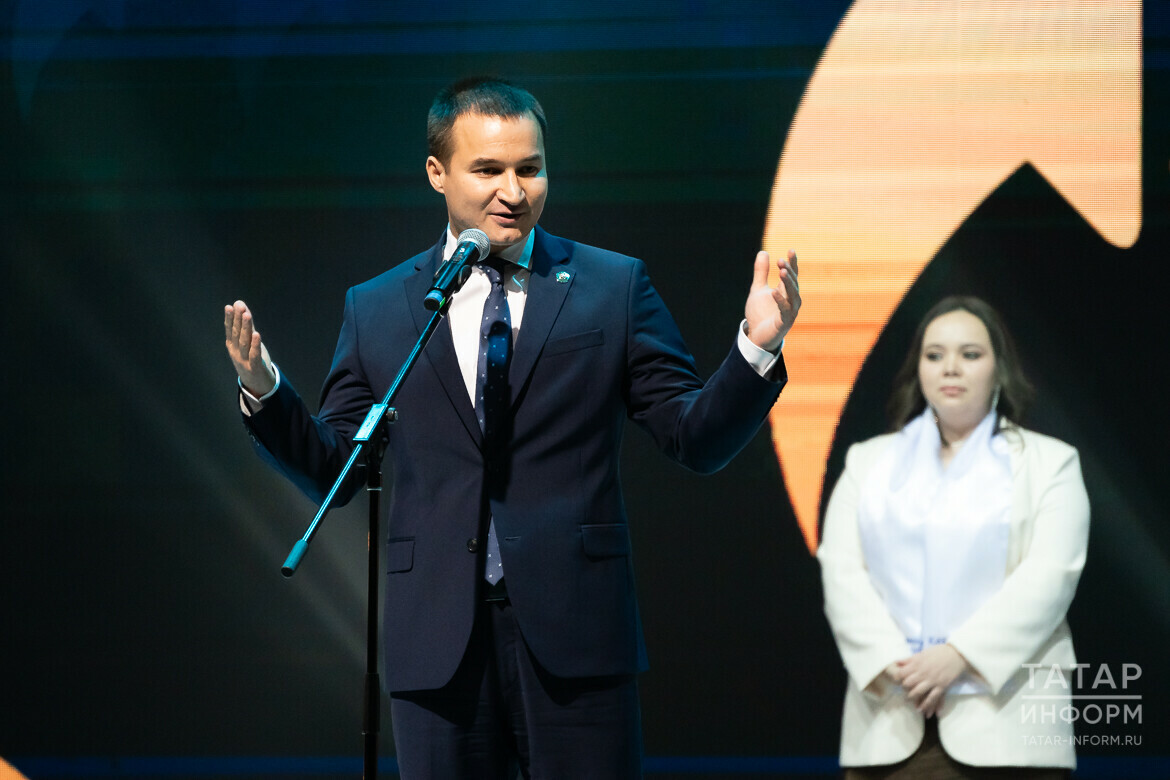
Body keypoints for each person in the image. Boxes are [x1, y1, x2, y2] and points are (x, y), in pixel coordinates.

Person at [223, 77, 800, 778]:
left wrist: (756, 349)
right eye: (488, 170)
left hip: (577, 634)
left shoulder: (612, 287)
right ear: (437, 173)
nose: (513, 191)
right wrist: (265, 391)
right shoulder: (379, 307)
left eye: (530, 169)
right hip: (437, 640)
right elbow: (336, 470)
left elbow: (694, 437)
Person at [818, 296, 1089, 778]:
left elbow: (1049, 577)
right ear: (918, 369)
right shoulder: (868, 462)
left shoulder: (1050, 463)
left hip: (1010, 728)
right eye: (934, 354)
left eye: (970, 354)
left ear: (999, 368)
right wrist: (896, 664)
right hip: (889, 718)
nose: (951, 368)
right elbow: (842, 572)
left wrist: (959, 655)